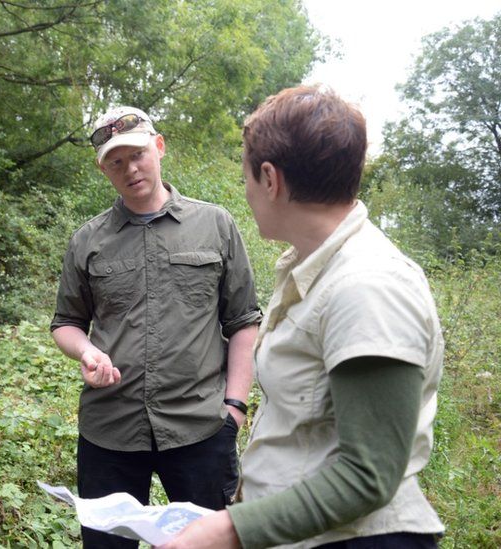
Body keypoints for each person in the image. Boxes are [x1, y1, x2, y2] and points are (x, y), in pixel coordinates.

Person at [158, 85, 445, 549]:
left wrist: (228, 529)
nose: (246, 191)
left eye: (247, 176)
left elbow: (368, 475)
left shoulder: (368, 286)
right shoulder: (316, 268)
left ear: (270, 178)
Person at [50, 106, 263, 548]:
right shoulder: (87, 241)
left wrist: (235, 409)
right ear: (103, 168)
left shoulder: (215, 224)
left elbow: (243, 321)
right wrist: (87, 351)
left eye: (138, 154)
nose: (130, 168)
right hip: (110, 430)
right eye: (116, 161)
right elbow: (67, 323)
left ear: (159, 147)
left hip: (201, 426)